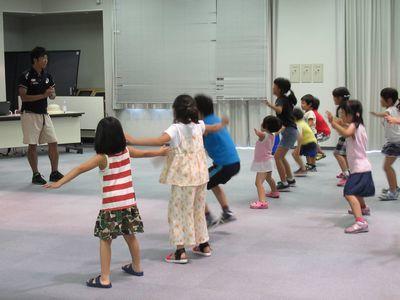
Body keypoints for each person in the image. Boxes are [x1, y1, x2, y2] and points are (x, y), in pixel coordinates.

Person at [44, 117, 169, 288]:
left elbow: (79, 169)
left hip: (111, 207)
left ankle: (104, 278)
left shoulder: (102, 158)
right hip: (129, 203)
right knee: (130, 236)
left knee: (105, 240)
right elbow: (145, 153)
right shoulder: (127, 151)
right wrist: (160, 152)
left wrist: (59, 182)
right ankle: (137, 267)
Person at [126, 95, 228, 264]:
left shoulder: (175, 129)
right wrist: (223, 124)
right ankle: (204, 245)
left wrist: (134, 140)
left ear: (176, 111)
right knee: (198, 209)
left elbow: (158, 141)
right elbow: (214, 127)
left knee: (178, 212)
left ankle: (180, 252)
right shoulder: (199, 126)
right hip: (200, 176)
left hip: (183, 179)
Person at [327, 100, 375, 234]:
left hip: (360, 168)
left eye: (344, 114)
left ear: (355, 114)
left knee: (349, 193)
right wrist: (335, 121)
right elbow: (345, 125)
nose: (342, 116)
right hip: (361, 167)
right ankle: (363, 208)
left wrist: (334, 124)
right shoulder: (358, 125)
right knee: (357, 191)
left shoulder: (353, 126)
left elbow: (347, 133)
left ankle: (360, 222)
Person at [18, 46, 63, 185]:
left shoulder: (47, 76)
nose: (45, 60)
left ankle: (54, 172)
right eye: (43, 58)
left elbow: (53, 95)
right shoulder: (26, 76)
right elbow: (23, 97)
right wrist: (43, 95)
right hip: (30, 115)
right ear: (35, 60)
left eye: (46, 58)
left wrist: (52, 94)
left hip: (44, 114)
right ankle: (35, 174)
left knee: (53, 142)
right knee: (32, 145)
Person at [194, 95, 241, 227]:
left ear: (197, 110)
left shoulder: (204, 124)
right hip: (233, 163)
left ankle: (208, 217)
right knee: (212, 182)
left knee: (195, 186)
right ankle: (227, 212)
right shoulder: (215, 119)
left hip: (225, 165)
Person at [265, 78, 298, 191]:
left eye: (274, 87)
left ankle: (284, 183)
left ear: (279, 89)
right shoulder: (286, 99)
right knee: (281, 157)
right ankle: (290, 179)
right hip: (290, 131)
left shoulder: (281, 99)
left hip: (289, 131)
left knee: (277, 157)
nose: (273, 88)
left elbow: (279, 110)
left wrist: (269, 105)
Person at [370, 88, 400, 200]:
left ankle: (393, 191)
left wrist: (376, 114)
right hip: (395, 141)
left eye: (381, 99)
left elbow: (385, 114)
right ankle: (394, 187)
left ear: (389, 100)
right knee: (388, 166)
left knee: (387, 167)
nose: (380, 101)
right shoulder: (395, 109)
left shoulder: (390, 110)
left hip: (396, 143)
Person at [250, 116, 282, 209]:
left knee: (258, 182)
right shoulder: (272, 135)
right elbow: (277, 132)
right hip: (269, 161)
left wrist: (257, 132)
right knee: (269, 178)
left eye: (263, 122)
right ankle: (275, 192)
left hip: (263, 163)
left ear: (266, 125)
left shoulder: (264, 135)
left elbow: (261, 134)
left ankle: (262, 202)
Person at [332, 87, 351, 186]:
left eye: (334, 97)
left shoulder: (343, 108)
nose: (333, 99)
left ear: (339, 98)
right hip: (346, 134)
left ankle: (346, 175)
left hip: (346, 134)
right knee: (343, 154)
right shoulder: (346, 106)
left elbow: (345, 122)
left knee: (337, 153)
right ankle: (347, 172)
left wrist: (335, 122)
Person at [292, 108, 318, 176]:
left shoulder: (299, 124)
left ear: (294, 117)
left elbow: (300, 136)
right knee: (295, 154)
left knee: (295, 154)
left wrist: (298, 147)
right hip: (309, 141)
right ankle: (303, 168)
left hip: (309, 142)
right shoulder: (302, 122)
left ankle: (303, 169)